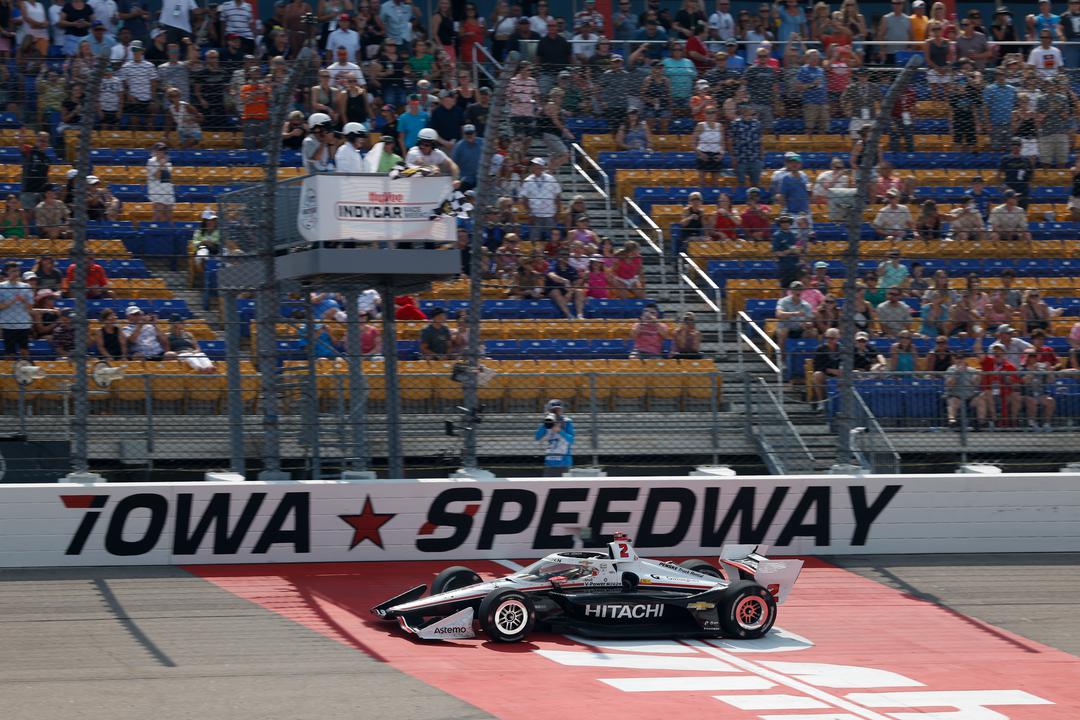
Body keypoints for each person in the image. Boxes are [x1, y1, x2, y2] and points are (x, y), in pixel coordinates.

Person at [519, 157, 561, 243]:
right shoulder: (528, 180)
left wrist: (558, 212)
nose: (535, 167)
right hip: (535, 214)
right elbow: (524, 199)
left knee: (552, 238)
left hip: (550, 213)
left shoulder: (551, 179)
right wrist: (530, 213)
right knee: (534, 239)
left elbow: (557, 195)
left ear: (542, 167)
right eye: (533, 165)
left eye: (537, 165)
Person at [0, 261, 34, 360]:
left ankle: (26, 370)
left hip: (24, 324)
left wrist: (23, 301)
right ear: (7, 272)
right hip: (8, 324)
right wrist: (12, 301)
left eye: (17, 271)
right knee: (10, 353)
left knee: (24, 351)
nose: (16, 273)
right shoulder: (1, 287)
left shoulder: (26, 287)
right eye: (13, 271)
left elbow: (30, 307)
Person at [535, 398, 574, 476]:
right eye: (553, 410)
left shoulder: (567, 422)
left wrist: (560, 431)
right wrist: (546, 424)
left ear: (562, 410)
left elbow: (571, 440)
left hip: (564, 462)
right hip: (550, 462)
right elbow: (537, 437)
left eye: (558, 410)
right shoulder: (547, 422)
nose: (556, 412)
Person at [944, 352, 981, 430]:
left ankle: (980, 422)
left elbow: (975, 383)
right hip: (956, 395)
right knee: (953, 402)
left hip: (969, 396)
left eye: (961, 358)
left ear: (964, 360)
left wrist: (977, 377)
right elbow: (949, 385)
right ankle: (952, 421)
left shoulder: (971, 370)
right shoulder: (951, 369)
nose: (959, 360)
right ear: (955, 360)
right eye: (957, 358)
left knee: (981, 400)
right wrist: (957, 373)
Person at [775, 280, 815, 346]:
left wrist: (807, 324)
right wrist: (794, 314)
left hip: (800, 329)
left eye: (800, 289)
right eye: (796, 289)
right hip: (785, 327)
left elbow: (809, 320)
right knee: (783, 332)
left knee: (813, 332)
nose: (798, 291)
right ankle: (782, 355)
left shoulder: (806, 305)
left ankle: (804, 352)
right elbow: (779, 314)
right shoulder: (783, 301)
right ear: (791, 290)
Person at [545, 253, 584, 320]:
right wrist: (564, 281)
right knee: (555, 292)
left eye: (566, 257)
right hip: (553, 289)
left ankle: (580, 315)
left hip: (567, 291)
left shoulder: (571, 269)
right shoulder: (553, 266)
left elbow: (576, 282)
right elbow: (552, 275)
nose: (564, 259)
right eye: (563, 256)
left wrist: (570, 292)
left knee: (579, 291)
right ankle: (569, 315)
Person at [810, 326, 841, 409]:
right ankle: (821, 403)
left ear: (838, 338)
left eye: (832, 338)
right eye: (827, 338)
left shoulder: (842, 349)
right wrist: (830, 370)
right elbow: (817, 366)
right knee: (817, 375)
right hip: (826, 374)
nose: (829, 340)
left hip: (841, 374)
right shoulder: (820, 349)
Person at [146, 142, 175, 222]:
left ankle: (167, 232)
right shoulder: (151, 162)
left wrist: (163, 164)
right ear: (155, 151)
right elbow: (156, 176)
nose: (161, 152)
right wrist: (161, 165)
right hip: (156, 191)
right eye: (159, 150)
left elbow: (166, 178)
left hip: (167, 191)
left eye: (163, 150)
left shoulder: (168, 163)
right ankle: (153, 230)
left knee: (169, 216)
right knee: (158, 214)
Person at [771, 215, 801, 288]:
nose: (785, 223)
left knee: (796, 287)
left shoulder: (794, 235)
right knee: (784, 287)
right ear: (779, 223)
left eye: (787, 221)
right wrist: (789, 251)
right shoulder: (777, 235)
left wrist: (798, 250)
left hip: (795, 265)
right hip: (784, 266)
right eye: (782, 222)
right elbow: (776, 252)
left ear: (790, 223)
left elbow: (799, 248)